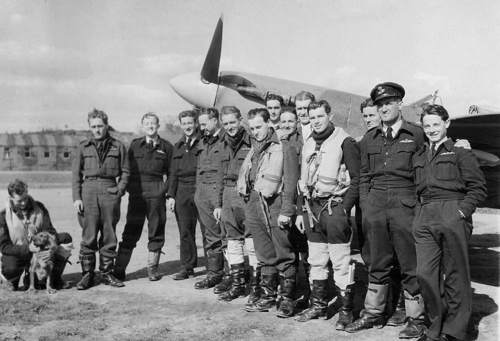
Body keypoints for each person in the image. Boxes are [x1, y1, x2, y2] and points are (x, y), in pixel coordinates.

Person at [346, 83, 426, 338]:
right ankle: (373, 313)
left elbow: (426, 169)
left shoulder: (416, 134)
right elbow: (365, 176)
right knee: (377, 260)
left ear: (400, 104)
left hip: (406, 205)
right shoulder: (369, 138)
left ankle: (416, 318)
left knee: (410, 263)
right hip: (376, 206)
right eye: (380, 105)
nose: (384, 108)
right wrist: (368, 207)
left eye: (389, 103)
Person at [413, 104, 486, 341]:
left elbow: (478, 188)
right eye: (427, 125)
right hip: (425, 216)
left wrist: (461, 213)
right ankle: (434, 328)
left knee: (455, 275)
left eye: (436, 124)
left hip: (452, 213)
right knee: (425, 274)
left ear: (447, 124)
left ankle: (454, 332)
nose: (432, 129)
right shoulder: (419, 155)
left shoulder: (460, 152)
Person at [294, 100, 360, 331]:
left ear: (329, 115)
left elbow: (357, 179)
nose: (316, 121)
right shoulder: (308, 142)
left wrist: (345, 208)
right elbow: (302, 179)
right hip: (311, 209)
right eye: (312, 117)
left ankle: (345, 311)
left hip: (334, 209)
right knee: (316, 259)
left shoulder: (345, 141)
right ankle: (319, 305)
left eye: (320, 116)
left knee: (341, 262)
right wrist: (302, 210)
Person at [237, 108, 300, 317]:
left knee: (284, 253)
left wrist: (286, 210)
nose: (255, 131)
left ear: (269, 124)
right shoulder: (254, 149)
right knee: (264, 254)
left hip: (276, 206)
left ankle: (288, 299)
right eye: (252, 128)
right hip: (255, 205)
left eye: (259, 127)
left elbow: (290, 182)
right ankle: (268, 296)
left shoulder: (285, 147)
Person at [72, 109, 129, 290]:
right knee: (88, 234)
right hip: (88, 191)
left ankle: (106, 273)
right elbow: (75, 176)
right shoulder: (83, 147)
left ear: (106, 125)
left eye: (100, 126)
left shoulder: (118, 146)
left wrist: (119, 190)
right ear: (90, 127)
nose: (97, 130)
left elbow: (126, 171)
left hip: (109, 190)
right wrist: (76, 198)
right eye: (93, 126)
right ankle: (87, 275)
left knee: (109, 233)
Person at [114, 113, 173, 282]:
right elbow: (126, 168)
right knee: (131, 230)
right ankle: (119, 270)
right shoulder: (135, 145)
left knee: (156, 230)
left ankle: (152, 270)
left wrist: (165, 191)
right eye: (147, 123)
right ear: (142, 125)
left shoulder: (167, 147)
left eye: (153, 123)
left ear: (158, 125)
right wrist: (126, 188)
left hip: (156, 193)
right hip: (137, 194)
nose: (150, 126)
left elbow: (172, 173)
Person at [212, 106, 257, 302]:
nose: (230, 127)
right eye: (226, 123)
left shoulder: (252, 141)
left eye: (233, 122)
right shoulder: (221, 144)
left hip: (246, 195)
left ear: (240, 120)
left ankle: (256, 286)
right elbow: (220, 177)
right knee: (232, 240)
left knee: (251, 240)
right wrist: (218, 204)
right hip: (228, 195)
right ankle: (238, 284)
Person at [0, 179, 72, 291]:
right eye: (19, 201)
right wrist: (28, 248)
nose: (23, 203)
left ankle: (53, 278)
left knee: (65, 238)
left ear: (27, 192)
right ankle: (9, 279)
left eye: (25, 198)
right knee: (11, 269)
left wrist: (51, 249)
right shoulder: (3, 216)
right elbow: (4, 247)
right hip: (19, 252)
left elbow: (50, 231)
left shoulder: (40, 208)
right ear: (11, 198)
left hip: (39, 252)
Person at [193, 107, 226, 290]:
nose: (202, 127)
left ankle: (230, 275)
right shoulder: (203, 141)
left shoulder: (225, 140)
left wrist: (219, 200)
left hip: (217, 190)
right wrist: (198, 193)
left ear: (215, 120)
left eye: (205, 123)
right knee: (209, 235)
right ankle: (214, 274)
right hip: (203, 192)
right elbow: (199, 169)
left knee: (224, 235)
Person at [167, 110, 202, 280]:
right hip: (182, 191)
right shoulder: (178, 146)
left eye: (190, 122)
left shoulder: (204, 142)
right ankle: (187, 267)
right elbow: (172, 173)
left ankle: (214, 269)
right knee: (185, 231)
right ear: (181, 125)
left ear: (196, 123)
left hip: (200, 188)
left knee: (208, 230)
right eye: (184, 123)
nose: (187, 126)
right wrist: (171, 196)